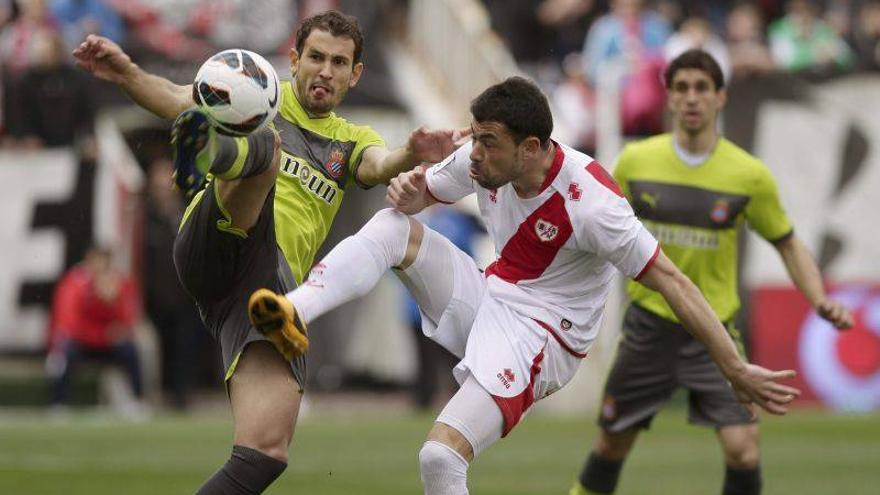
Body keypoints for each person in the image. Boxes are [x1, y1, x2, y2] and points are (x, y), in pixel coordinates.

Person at [248, 76, 804, 494]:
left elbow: (674, 282)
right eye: (477, 140)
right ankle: (294, 310)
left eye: (489, 143)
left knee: (439, 460)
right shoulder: (483, 158)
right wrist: (409, 189)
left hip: (542, 338)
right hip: (491, 296)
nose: (476, 155)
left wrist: (734, 368)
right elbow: (418, 197)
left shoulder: (594, 205)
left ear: (532, 148)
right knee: (396, 229)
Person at [73, 10, 466, 494]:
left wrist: (411, 153)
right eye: (316, 57)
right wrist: (127, 73)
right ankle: (206, 158)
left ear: (355, 74)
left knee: (265, 453)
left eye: (339, 63)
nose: (326, 70)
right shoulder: (261, 92)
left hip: (265, 297)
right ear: (295, 58)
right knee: (263, 138)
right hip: (213, 240)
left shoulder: (352, 139)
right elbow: (179, 100)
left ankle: (212, 154)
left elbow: (380, 165)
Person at [568, 49, 853, 495]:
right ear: (670, 98)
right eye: (681, 88)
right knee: (610, 445)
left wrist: (819, 299)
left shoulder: (748, 175)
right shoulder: (635, 163)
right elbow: (595, 230)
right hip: (649, 328)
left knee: (744, 449)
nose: (692, 98)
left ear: (720, 97)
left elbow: (787, 241)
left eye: (702, 88)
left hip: (715, 331)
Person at [47, 246, 143, 409]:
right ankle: (58, 403)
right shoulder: (74, 283)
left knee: (131, 350)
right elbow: (70, 325)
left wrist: (112, 302)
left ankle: (136, 401)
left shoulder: (120, 283)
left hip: (107, 345)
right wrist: (104, 334)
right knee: (63, 353)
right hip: (82, 343)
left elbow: (127, 321)